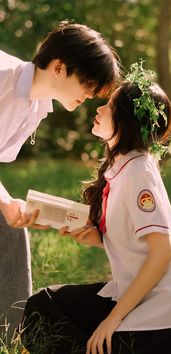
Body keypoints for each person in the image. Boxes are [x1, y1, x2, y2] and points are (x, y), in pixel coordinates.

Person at [22, 62, 171, 354]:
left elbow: (162, 255)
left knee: (96, 341)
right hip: (143, 295)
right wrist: (97, 239)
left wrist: (112, 320)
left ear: (126, 119)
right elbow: (136, 245)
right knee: (41, 308)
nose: (98, 110)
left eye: (108, 105)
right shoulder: (121, 167)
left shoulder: (139, 172)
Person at [0, 20, 120, 338]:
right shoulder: (3, 78)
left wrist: (11, 205)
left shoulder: (37, 106)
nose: (91, 95)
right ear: (58, 67)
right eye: (88, 82)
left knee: (11, 234)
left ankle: (11, 332)